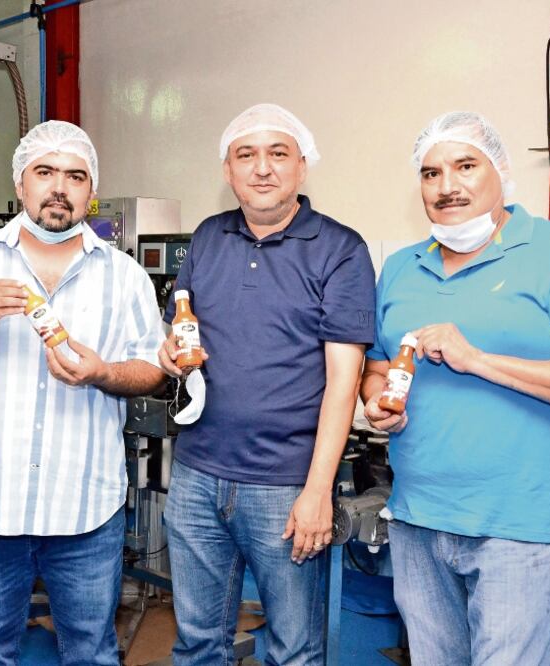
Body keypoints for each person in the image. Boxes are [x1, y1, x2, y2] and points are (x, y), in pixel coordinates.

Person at [359, 111, 550, 665]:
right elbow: (380, 367)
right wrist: (373, 400)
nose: (447, 186)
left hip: (520, 527)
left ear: (500, 171)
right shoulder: (402, 269)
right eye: (431, 173)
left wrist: (477, 359)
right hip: (417, 517)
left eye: (465, 166)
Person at [0, 120, 165, 665]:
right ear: (20, 184)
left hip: (87, 511)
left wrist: (103, 374)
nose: (59, 187)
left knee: (92, 653)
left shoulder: (124, 276)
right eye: (44, 172)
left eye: (75, 176)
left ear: (91, 193)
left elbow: (152, 371)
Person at [158, 103, 376, 664]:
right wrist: (170, 353)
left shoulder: (340, 250)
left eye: (278, 153)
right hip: (197, 477)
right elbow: (185, 333)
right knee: (198, 644)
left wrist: (317, 492)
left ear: (302, 167)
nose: (262, 168)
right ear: (228, 172)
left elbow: (343, 383)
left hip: (286, 486)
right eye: (245, 155)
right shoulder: (207, 237)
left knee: (294, 652)